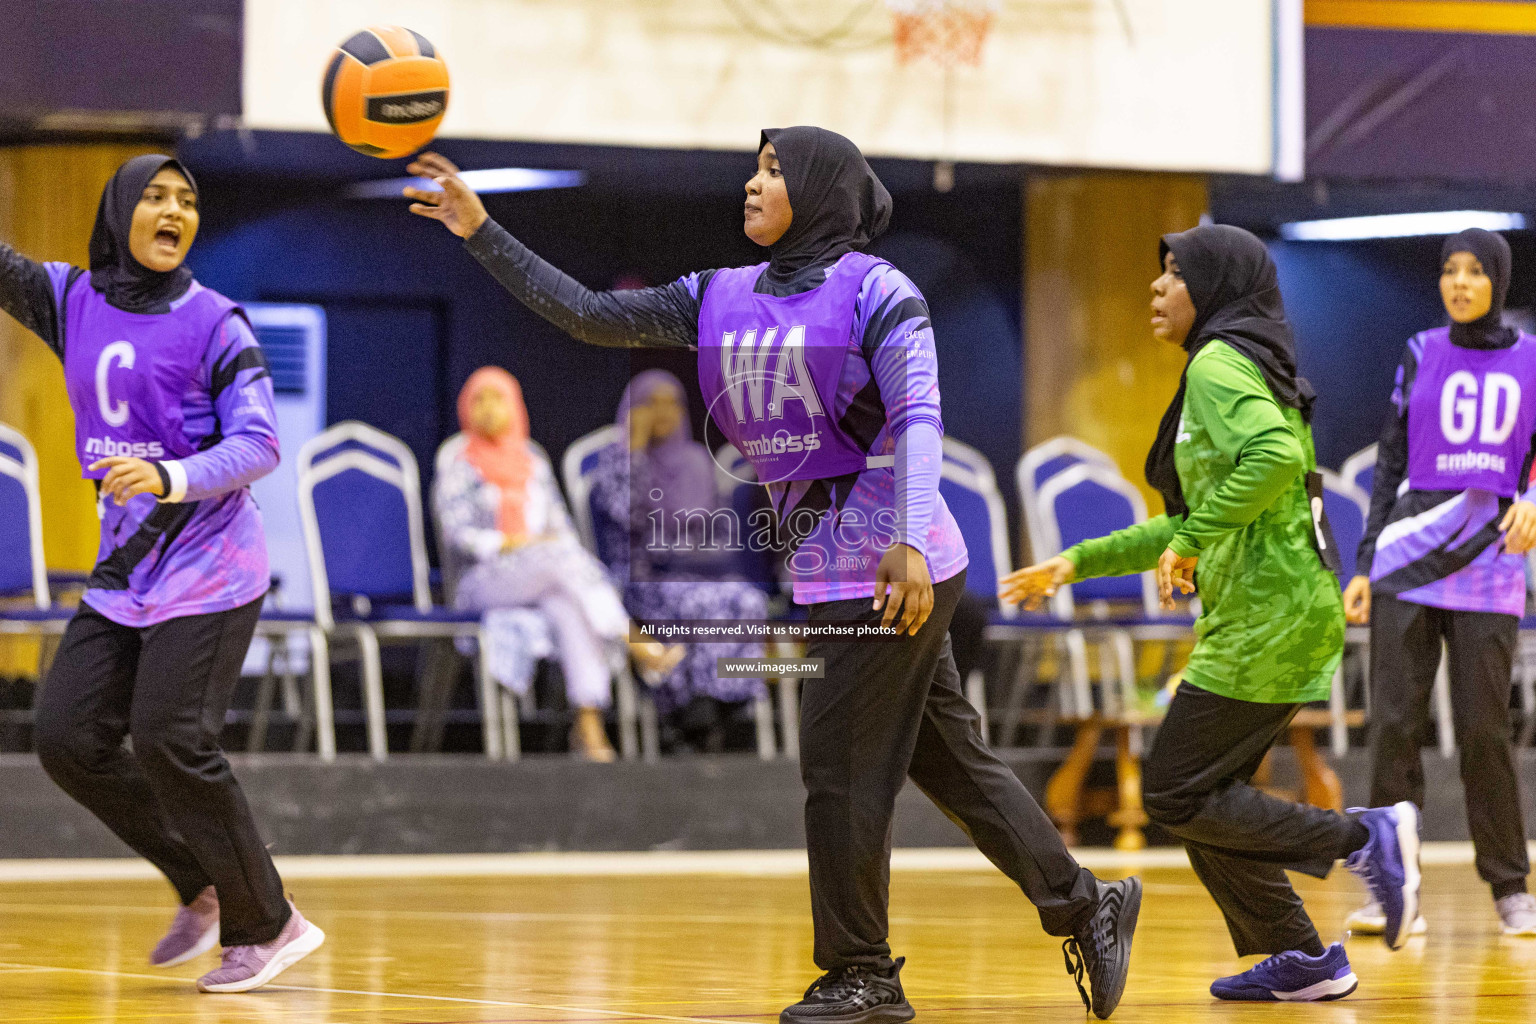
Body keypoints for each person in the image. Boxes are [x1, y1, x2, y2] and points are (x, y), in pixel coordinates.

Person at [403, 130, 1140, 1020]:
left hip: (900, 570)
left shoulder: (877, 290)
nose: (751, 185)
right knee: (949, 764)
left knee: (838, 768)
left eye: (773, 169)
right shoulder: (719, 295)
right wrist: (480, 228)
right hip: (833, 576)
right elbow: (589, 316)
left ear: (823, 190)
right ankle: (1085, 905)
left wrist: (905, 537)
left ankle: (863, 973)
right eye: (753, 167)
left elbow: (919, 421)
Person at [1002, 224, 1419, 1002]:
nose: (1157, 289)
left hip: (1270, 618)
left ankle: (1367, 838)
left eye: (1172, 275)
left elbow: (1272, 461)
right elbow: (1196, 516)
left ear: (1215, 287)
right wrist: (1076, 563)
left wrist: (1192, 538)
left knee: (1175, 794)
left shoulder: (1219, 366)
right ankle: (1302, 956)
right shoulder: (1234, 364)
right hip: (1280, 615)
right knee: (1207, 802)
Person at [0, 155, 322, 992]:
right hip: (128, 567)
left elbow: (260, 444)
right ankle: (201, 879)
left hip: (213, 564)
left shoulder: (218, 322)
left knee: (174, 737)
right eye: (156, 196)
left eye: (187, 199)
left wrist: (172, 475)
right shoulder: (72, 299)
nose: (175, 209)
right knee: (67, 739)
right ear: (119, 212)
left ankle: (268, 921)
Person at [1342, 228, 1536, 936]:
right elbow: (1390, 464)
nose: (1459, 283)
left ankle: (1511, 887)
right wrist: (1364, 564)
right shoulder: (1420, 350)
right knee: (1394, 727)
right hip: (1404, 556)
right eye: (1449, 270)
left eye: (1474, 272)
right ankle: (1393, 890)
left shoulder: (1532, 360)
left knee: (1486, 729)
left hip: (1489, 561)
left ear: (1499, 282)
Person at [435, 366, 683, 761]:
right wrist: (510, 542)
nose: (486, 409)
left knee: (569, 605)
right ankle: (631, 635)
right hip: (482, 582)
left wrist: (541, 546)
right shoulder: (458, 462)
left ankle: (588, 725)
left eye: (496, 398)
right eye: (477, 400)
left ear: (514, 405)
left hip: (546, 575)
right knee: (557, 561)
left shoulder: (532, 461)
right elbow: (455, 534)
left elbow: (561, 529)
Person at [589, 369, 769, 751]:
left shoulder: (694, 460)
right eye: (651, 403)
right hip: (639, 576)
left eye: (672, 403)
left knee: (746, 601)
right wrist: (634, 453)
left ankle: (722, 708)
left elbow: (708, 528)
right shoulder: (616, 460)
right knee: (693, 603)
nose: (663, 413)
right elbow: (627, 515)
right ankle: (687, 714)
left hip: (697, 568)